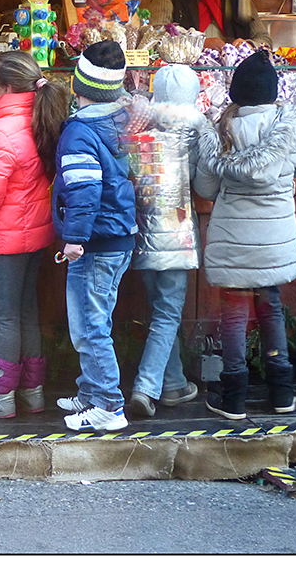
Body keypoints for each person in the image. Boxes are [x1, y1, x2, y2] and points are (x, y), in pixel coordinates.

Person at [195, 50, 296, 419]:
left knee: (233, 315)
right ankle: (283, 393)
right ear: (271, 92)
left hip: (232, 245)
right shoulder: (289, 129)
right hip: (274, 244)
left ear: (236, 94)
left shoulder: (221, 131)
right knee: (271, 309)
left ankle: (233, 397)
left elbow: (205, 187)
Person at [0, 51, 72, 418]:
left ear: (6, 88)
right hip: (36, 233)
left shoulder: (1, 131)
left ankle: (0, 391)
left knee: (5, 315)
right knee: (27, 310)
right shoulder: (39, 119)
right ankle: (33, 390)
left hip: (7, 237)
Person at [53, 40, 138, 433]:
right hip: (118, 235)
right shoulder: (123, 122)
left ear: (78, 84)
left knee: (90, 326)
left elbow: (84, 190)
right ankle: (90, 392)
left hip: (95, 241)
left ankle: (109, 405)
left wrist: (74, 238)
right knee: (92, 320)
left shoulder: (80, 133)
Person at [125, 65, 210, 417]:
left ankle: (173, 383)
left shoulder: (137, 124)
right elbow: (205, 186)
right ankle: (146, 387)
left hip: (141, 234)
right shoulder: (198, 128)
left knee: (159, 310)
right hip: (176, 233)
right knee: (167, 314)